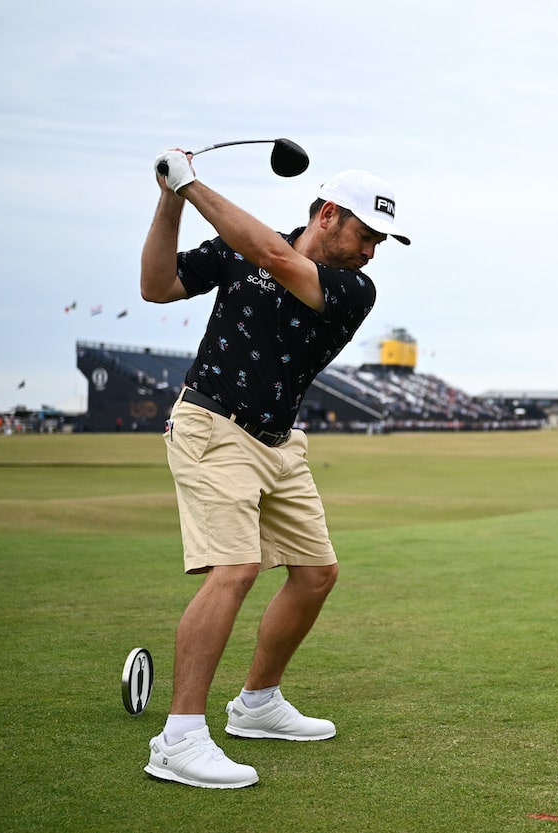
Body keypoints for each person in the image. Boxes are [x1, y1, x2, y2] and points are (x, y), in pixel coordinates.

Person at [139, 148, 410, 788]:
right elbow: (156, 286)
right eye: (366, 234)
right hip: (213, 425)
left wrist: (193, 182)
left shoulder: (354, 288)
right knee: (235, 570)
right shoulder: (241, 246)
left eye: (381, 242)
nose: (372, 251)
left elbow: (276, 258)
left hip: (281, 442)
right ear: (328, 213)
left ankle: (256, 704)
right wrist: (171, 197)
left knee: (316, 574)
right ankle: (177, 739)